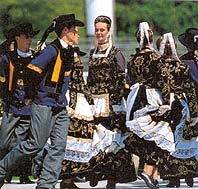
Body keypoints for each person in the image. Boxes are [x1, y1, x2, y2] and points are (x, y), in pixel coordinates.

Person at [0, 13, 84, 189]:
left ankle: (46, 183)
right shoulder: (51, 50)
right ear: (65, 31)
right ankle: (1, 168)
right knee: (35, 144)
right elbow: (31, 71)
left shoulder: (68, 51)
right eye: (75, 31)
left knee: (59, 146)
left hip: (59, 106)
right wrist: (30, 96)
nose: (78, 34)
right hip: (44, 104)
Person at [83, 15, 137, 189]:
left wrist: (116, 101)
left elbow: (122, 79)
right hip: (94, 101)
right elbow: (90, 78)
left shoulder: (116, 53)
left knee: (114, 141)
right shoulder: (92, 53)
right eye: (97, 29)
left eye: (102, 30)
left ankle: (113, 178)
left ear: (108, 31)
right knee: (95, 139)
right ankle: (96, 171)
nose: (99, 33)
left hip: (112, 102)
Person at [125, 22, 176, 189]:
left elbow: (129, 81)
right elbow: (164, 81)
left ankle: (153, 177)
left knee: (149, 138)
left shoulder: (133, 59)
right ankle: (148, 171)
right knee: (164, 137)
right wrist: (168, 102)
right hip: (153, 99)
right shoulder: (156, 58)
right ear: (151, 38)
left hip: (136, 101)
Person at [156, 32, 198, 188]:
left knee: (175, 139)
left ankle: (180, 175)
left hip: (172, 105)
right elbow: (189, 89)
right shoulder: (181, 64)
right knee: (177, 139)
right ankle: (183, 174)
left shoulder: (180, 63)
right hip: (176, 105)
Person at [0, 23, 40, 184]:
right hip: (11, 107)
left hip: (27, 108)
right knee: (3, 142)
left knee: (21, 143)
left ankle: (22, 174)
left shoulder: (35, 57)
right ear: (17, 38)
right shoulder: (7, 58)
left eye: (31, 36)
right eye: (26, 36)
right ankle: (6, 169)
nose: (29, 40)